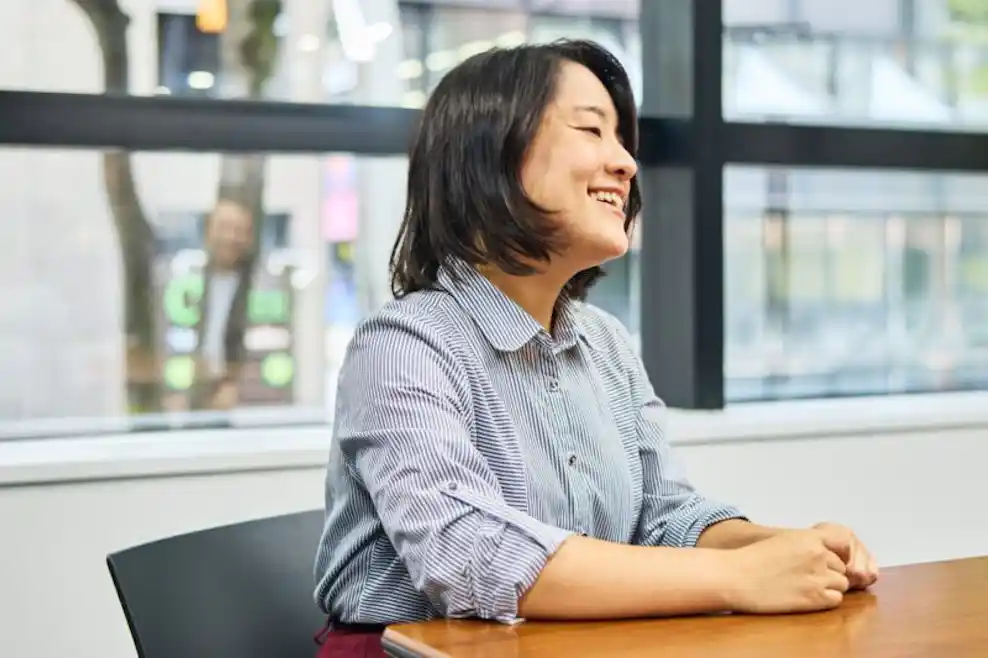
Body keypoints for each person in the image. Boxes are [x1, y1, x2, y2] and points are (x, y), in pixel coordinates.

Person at [312, 39, 878, 657]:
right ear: (489, 152)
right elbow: (471, 554)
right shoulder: (404, 345)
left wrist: (784, 550)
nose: (626, 163)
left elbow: (662, 518)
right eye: (591, 130)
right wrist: (739, 576)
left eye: (622, 140)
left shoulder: (605, 342)